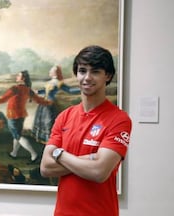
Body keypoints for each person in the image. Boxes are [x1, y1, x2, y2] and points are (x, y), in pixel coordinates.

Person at [40, 45, 132, 216]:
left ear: (108, 76)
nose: (87, 77)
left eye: (95, 71)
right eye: (82, 71)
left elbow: (98, 172)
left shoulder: (119, 120)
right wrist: (90, 158)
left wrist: (59, 155)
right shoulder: (64, 116)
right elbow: (45, 168)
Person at [0, 70, 52, 164]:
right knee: (16, 135)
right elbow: (38, 100)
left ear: (23, 78)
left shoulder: (15, 88)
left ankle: (34, 155)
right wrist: (48, 103)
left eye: (19, 76)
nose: (17, 77)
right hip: (21, 115)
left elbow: (3, 98)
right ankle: (14, 153)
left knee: (17, 136)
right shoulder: (28, 89)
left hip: (13, 115)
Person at [31, 65, 65, 144]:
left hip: (50, 104)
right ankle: (43, 138)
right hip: (44, 103)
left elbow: (69, 90)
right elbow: (45, 91)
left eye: (51, 71)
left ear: (55, 74)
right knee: (42, 120)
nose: (49, 72)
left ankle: (50, 140)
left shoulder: (58, 83)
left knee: (49, 121)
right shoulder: (50, 82)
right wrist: (37, 92)